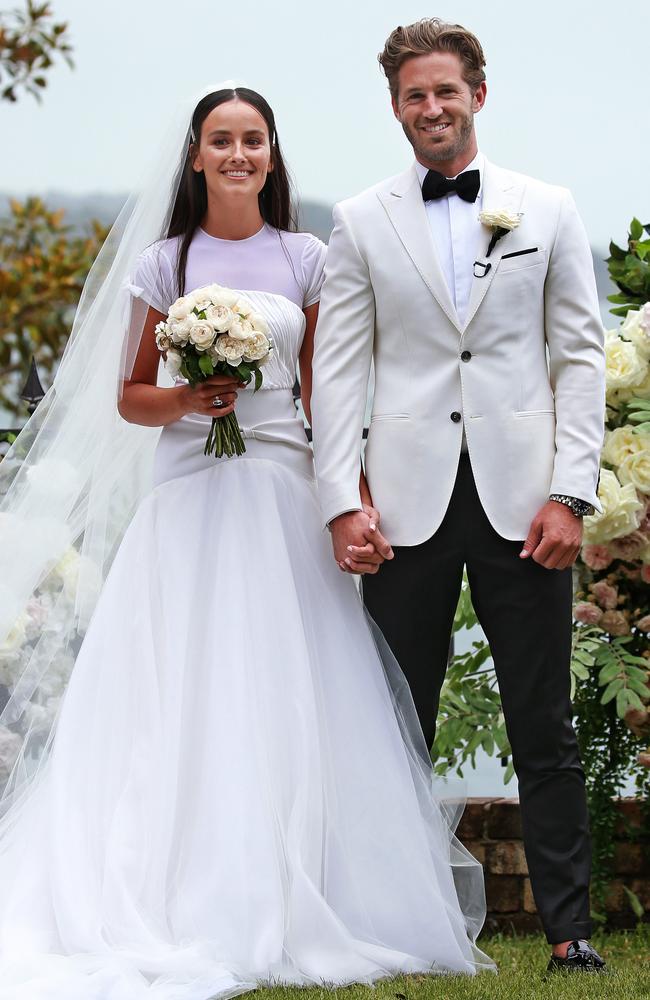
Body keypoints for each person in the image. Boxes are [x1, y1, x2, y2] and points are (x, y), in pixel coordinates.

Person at [0, 86, 491, 998]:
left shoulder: (307, 257)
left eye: (252, 140)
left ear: (271, 154)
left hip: (280, 486)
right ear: (196, 156)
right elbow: (131, 396)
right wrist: (190, 398)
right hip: (189, 494)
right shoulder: (164, 262)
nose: (237, 154)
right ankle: (171, 886)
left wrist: (353, 495)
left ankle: (304, 881)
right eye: (220, 140)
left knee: (285, 678)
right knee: (182, 680)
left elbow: (326, 393)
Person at [311, 19, 607, 973]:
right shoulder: (359, 222)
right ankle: (386, 924)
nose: (430, 108)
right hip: (403, 508)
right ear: (394, 106)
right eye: (412, 95)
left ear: (479, 93)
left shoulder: (549, 208)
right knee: (396, 723)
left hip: (527, 507)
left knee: (543, 722)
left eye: (445, 90)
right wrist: (339, 502)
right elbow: (340, 373)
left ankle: (570, 931)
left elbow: (581, 356)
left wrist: (571, 494)